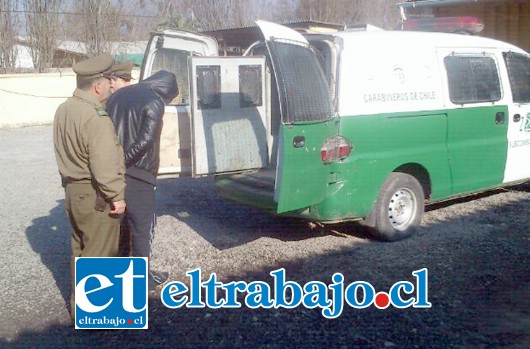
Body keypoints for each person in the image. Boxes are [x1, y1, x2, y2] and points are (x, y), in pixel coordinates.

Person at [53, 54, 126, 318]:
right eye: (108, 81)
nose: (110, 86)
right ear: (97, 85)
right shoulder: (96, 117)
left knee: (81, 249)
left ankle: (79, 307)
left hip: (73, 191)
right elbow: (103, 164)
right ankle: (96, 315)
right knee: (100, 253)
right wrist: (116, 196)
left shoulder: (65, 108)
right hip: (95, 194)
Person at [107, 70, 178, 291]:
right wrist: (124, 161)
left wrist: (114, 164)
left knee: (121, 226)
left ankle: (121, 275)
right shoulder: (154, 101)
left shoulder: (118, 95)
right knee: (142, 227)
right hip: (139, 173)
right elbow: (145, 139)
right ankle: (142, 279)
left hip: (113, 171)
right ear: (166, 90)